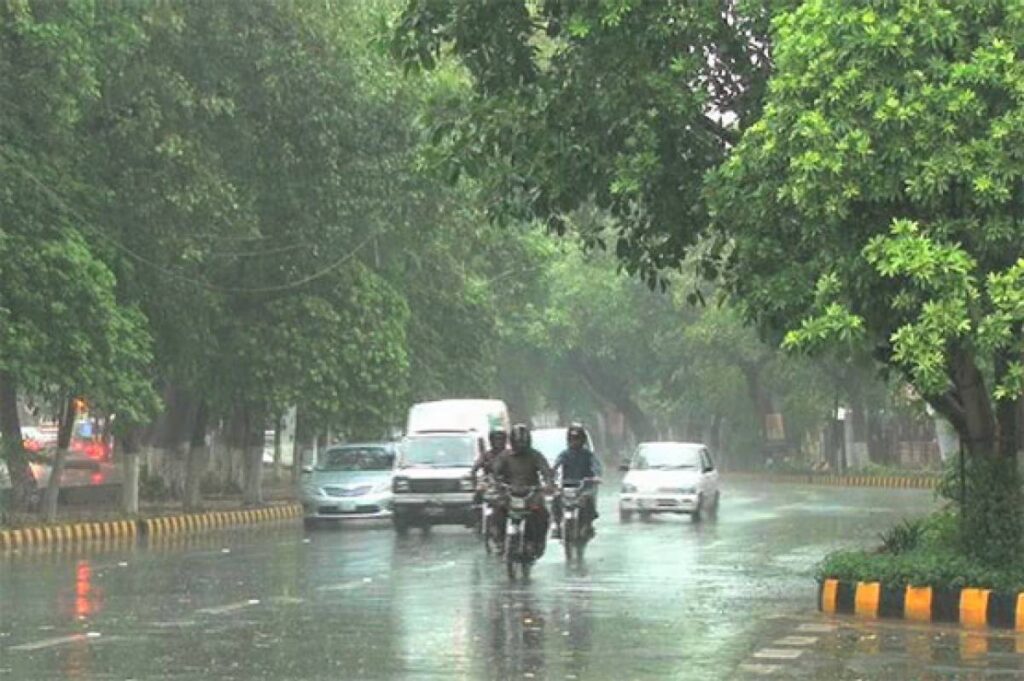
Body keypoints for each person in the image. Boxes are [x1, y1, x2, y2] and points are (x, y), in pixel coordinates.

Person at [492, 423, 555, 556]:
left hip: (531, 494)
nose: (520, 445)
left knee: (542, 514)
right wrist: (496, 482)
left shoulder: (535, 455)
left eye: (523, 442)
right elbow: (495, 470)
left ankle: (537, 542)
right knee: (498, 509)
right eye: (518, 442)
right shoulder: (504, 456)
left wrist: (548, 484)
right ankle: (499, 540)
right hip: (510, 494)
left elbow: (546, 471)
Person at [551, 423, 602, 539]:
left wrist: (596, 476)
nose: (575, 442)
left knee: (588, 499)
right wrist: (551, 476)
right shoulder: (564, 454)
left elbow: (596, 466)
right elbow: (556, 465)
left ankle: (588, 525)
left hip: (584, 487)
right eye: (572, 439)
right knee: (556, 497)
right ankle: (556, 525)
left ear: (583, 440)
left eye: (577, 439)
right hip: (567, 486)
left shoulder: (588, 455)